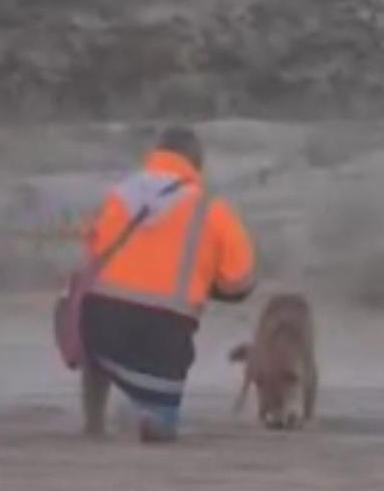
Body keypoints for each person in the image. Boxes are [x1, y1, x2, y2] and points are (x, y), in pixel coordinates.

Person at [79, 125, 256, 443]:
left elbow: (91, 257)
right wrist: (203, 284)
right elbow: (240, 284)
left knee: (92, 313)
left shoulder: (118, 194)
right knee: (160, 430)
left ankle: (94, 423)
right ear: (197, 162)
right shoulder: (212, 209)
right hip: (163, 339)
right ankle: (151, 417)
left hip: (102, 330)